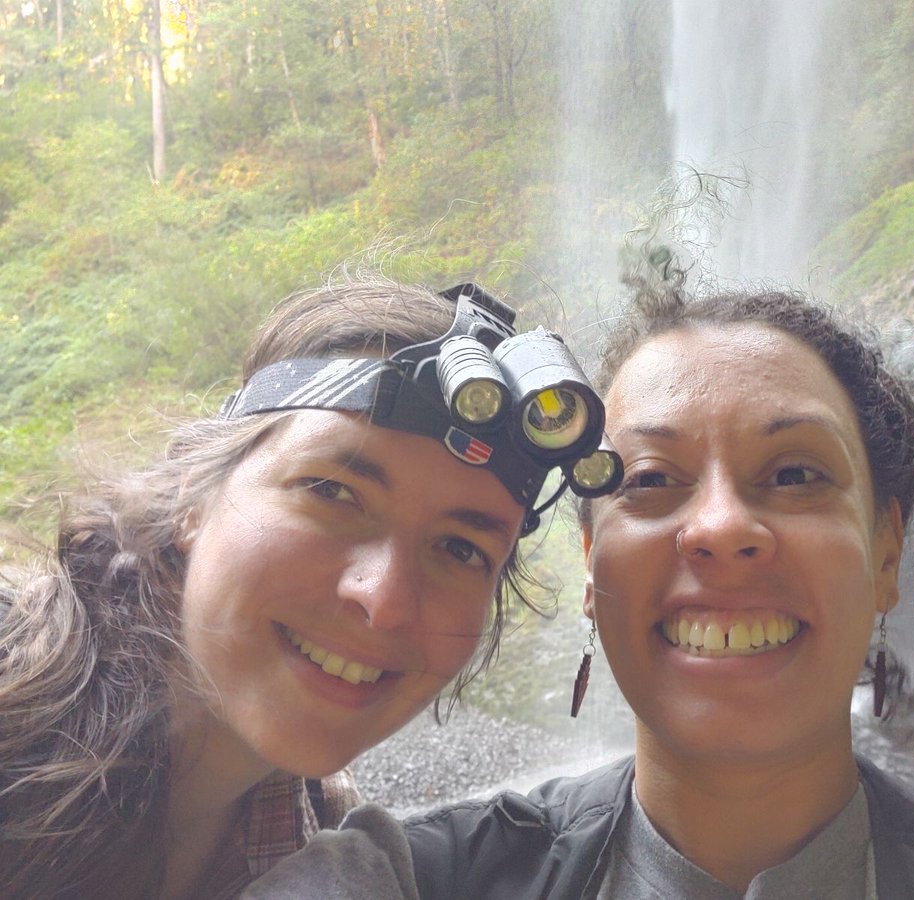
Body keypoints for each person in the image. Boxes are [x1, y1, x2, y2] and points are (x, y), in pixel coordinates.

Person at [240, 281, 914, 899]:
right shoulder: (414, 880)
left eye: (795, 475)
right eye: (649, 481)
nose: (722, 527)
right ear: (589, 565)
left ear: (887, 556)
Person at [0, 269, 618, 900]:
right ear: (193, 492)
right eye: (332, 491)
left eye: (461, 549)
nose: (384, 600)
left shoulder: (323, 838)